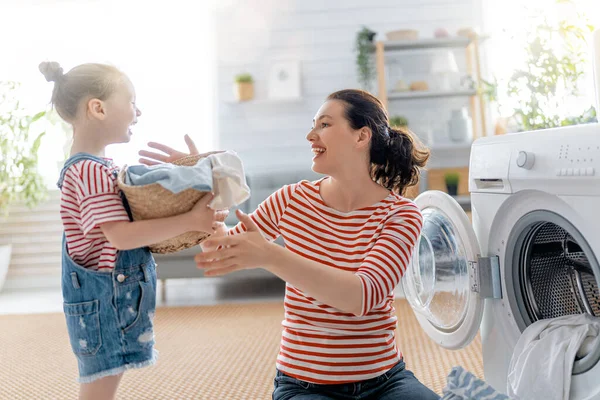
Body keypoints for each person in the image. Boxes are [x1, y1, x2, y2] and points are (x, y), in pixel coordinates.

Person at [140, 89, 439, 399]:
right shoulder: (292, 199)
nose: (311, 135)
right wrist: (202, 189)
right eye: (313, 125)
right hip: (304, 386)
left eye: (324, 124)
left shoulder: (401, 214)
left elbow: (361, 297)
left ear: (361, 137)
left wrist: (271, 256)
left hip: (385, 382)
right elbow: (221, 250)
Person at [40, 61, 226, 400]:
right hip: (106, 301)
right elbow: (122, 236)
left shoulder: (98, 168)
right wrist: (189, 221)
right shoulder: (89, 171)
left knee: (104, 383)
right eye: (131, 101)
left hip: (109, 299)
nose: (137, 111)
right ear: (97, 108)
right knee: (100, 388)